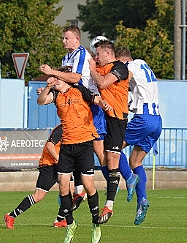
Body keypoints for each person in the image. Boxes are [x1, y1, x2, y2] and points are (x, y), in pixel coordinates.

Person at [37, 67, 112, 243]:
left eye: (56, 78)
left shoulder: (78, 89)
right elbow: (40, 101)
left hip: (84, 144)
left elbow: (95, 98)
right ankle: (70, 224)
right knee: (63, 187)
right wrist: (48, 87)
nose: (55, 81)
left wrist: (103, 103)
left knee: (88, 186)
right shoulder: (55, 96)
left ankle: (95, 224)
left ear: (62, 78)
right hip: (67, 147)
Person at [39, 25, 107, 209]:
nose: (63, 41)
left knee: (97, 147)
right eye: (63, 38)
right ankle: (78, 192)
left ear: (77, 39)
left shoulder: (81, 53)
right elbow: (65, 81)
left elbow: (75, 78)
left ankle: (112, 182)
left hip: (87, 103)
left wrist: (52, 72)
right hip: (72, 102)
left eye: (66, 38)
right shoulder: (66, 57)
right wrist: (51, 87)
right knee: (73, 146)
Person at [88, 39, 139, 224]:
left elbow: (101, 83)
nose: (96, 57)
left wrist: (92, 67)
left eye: (98, 54)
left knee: (112, 159)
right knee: (99, 153)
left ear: (107, 53)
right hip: (103, 116)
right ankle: (110, 184)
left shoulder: (120, 68)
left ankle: (109, 205)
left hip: (117, 118)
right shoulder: (100, 66)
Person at [115, 46, 162, 225]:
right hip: (157, 120)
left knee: (113, 147)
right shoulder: (144, 65)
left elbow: (125, 77)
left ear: (123, 60)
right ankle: (142, 200)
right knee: (135, 162)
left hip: (144, 119)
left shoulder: (131, 66)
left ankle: (129, 178)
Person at [3, 124, 69, 229]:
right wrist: (59, 159)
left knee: (71, 191)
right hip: (49, 165)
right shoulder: (62, 128)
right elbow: (49, 146)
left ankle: (59, 220)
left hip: (61, 166)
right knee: (38, 196)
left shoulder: (75, 129)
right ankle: (11, 216)